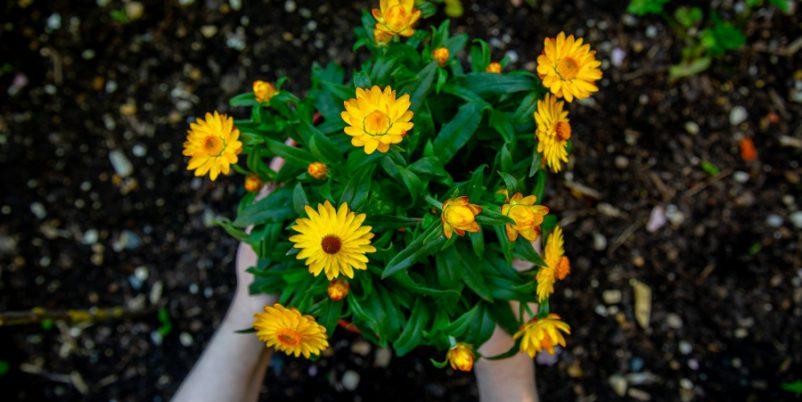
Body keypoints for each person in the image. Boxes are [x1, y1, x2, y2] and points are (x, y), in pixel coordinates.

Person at [172, 156, 539, 402]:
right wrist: (510, 375)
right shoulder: (329, 255)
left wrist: (250, 305)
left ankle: (251, 310)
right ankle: (503, 357)